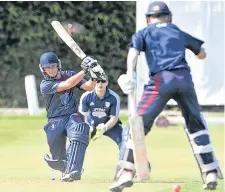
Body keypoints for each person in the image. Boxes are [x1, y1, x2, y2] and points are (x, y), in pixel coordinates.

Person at [109, 1, 223, 191]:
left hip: (160, 81)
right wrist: (198, 52)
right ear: (169, 17)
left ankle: (126, 172)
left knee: (138, 123)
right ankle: (210, 171)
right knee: (195, 124)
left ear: (148, 19)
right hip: (184, 80)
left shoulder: (144, 33)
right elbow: (201, 54)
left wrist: (130, 74)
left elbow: (133, 53)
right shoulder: (176, 30)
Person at [39, 52, 106, 182]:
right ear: (43, 69)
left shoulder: (69, 74)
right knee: (58, 160)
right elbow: (66, 85)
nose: (51, 70)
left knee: (80, 129)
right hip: (55, 120)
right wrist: (85, 70)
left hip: (71, 115)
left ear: (58, 65)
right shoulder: (45, 85)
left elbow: (88, 87)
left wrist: (94, 75)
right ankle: (65, 166)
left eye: (53, 66)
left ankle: (74, 170)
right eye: (48, 67)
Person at [78, 77, 124, 179]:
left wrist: (103, 128)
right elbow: (82, 117)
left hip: (110, 126)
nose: (100, 84)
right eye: (97, 81)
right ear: (93, 82)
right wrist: (88, 127)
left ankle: (123, 169)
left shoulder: (114, 97)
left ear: (107, 82)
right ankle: (71, 167)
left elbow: (114, 118)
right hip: (91, 125)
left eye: (103, 81)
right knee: (77, 140)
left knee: (125, 140)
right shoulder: (86, 96)